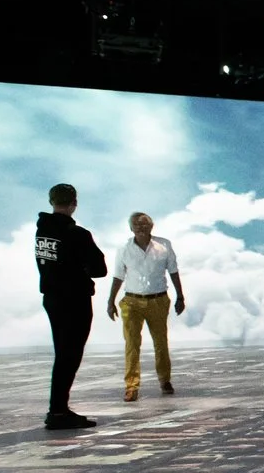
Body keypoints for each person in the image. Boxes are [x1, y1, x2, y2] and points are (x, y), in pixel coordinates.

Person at [34, 183, 107, 430]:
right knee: (70, 355)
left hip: (52, 299)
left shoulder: (42, 232)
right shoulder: (78, 234)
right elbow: (100, 269)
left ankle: (58, 409)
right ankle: (58, 411)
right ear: (74, 203)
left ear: (51, 201)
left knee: (63, 354)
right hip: (74, 300)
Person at [109, 211, 187, 402]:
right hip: (132, 301)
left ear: (152, 227)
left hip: (158, 300)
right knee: (132, 344)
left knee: (160, 342)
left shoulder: (164, 245)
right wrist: (110, 301)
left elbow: (173, 271)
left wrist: (180, 296)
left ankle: (165, 380)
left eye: (145, 225)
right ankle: (131, 386)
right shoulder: (124, 248)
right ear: (131, 228)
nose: (141, 228)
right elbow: (118, 275)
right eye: (137, 225)